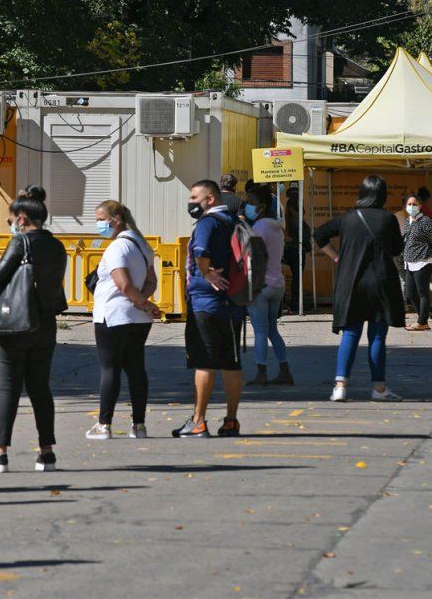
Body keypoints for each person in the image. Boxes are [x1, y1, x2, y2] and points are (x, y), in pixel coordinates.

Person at [0, 186, 68, 472]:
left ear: (21, 219)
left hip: (14, 325)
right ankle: (46, 453)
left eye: (10, 222)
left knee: (8, 389)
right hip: (45, 324)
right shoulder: (56, 246)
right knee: (40, 389)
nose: (10, 227)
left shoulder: (21, 243)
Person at [313, 175, 405, 403]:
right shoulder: (388, 219)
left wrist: (336, 257)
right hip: (381, 284)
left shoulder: (348, 218)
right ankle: (379, 388)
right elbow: (395, 250)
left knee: (351, 333)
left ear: (362, 193)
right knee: (377, 337)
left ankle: (340, 386)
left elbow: (319, 234)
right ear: (382, 195)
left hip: (351, 283)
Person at [84, 200, 161, 440]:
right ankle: (139, 425)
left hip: (112, 315)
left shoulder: (117, 248)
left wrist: (140, 301)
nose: (98, 224)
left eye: (100, 219)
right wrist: (142, 302)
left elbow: (123, 284)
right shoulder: (142, 244)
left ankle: (103, 425)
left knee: (110, 369)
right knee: (136, 369)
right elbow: (151, 282)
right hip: (138, 319)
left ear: (115, 220)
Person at [174, 180, 244, 438]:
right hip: (233, 303)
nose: (191, 202)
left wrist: (206, 273)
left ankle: (199, 421)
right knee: (231, 364)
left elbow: (201, 250)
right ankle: (231, 421)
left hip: (206, 303)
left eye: (195, 197)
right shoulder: (233, 222)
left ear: (211, 199)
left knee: (204, 362)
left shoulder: (207, 223)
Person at [244, 185, 293, 386]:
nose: (248, 206)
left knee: (261, 331)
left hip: (261, 285)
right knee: (272, 329)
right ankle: (284, 370)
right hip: (277, 284)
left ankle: (261, 372)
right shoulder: (277, 228)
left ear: (261, 206)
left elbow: (251, 258)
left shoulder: (258, 228)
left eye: (251, 202)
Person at [403, 193, 432, 331]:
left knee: (422, 292)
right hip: (410, 261)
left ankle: (422, 321)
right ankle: (422, 318)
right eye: (409, 204)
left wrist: (428, 254)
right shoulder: (408, 221)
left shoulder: (425, 221)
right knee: (410, 293)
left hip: (423, 261)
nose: (412, 207)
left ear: (420, 206)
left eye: (414, 204)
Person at [282, 192, 311, 312]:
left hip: (288, 251)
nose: (303, 211)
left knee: (293, 279)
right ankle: (296, 304)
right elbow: (305, 241)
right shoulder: (298, 223)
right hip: (297, 251)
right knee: (297, 279)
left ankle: (290, 302)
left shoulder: (287, 222)